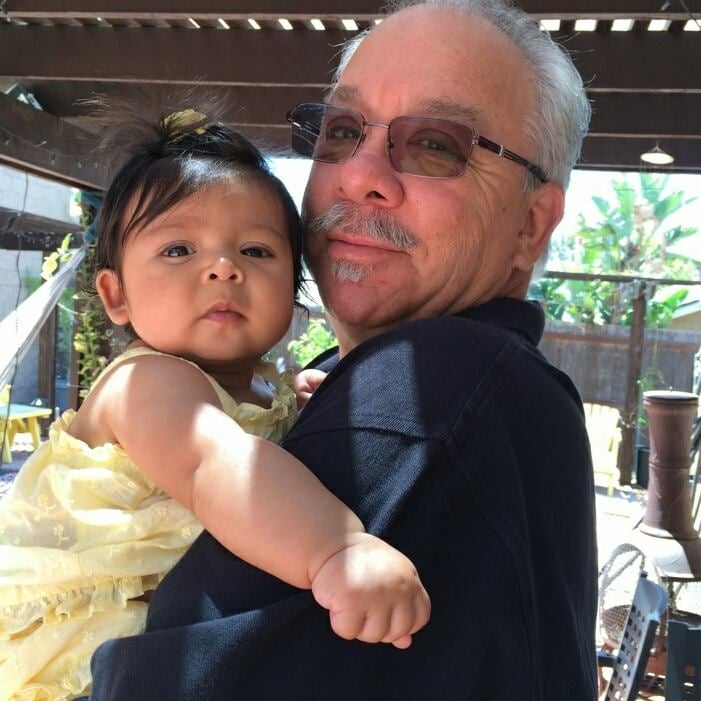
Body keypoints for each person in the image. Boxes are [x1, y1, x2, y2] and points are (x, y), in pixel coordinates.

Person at [90, 0, 598, 698]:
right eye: (342, 131)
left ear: (531, 224)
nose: (359, 174)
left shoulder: (436, 385)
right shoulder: (328, 380)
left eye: (434, 144)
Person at [0, 104, 431, 700]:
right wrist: (338, 548)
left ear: (294, 290)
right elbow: (216, 464)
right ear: (116, 295)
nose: (223, 268)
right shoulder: (145, 383)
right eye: (179, 250)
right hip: (70, 654)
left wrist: (296, 406)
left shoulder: (265, 385)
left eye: (256, 251)